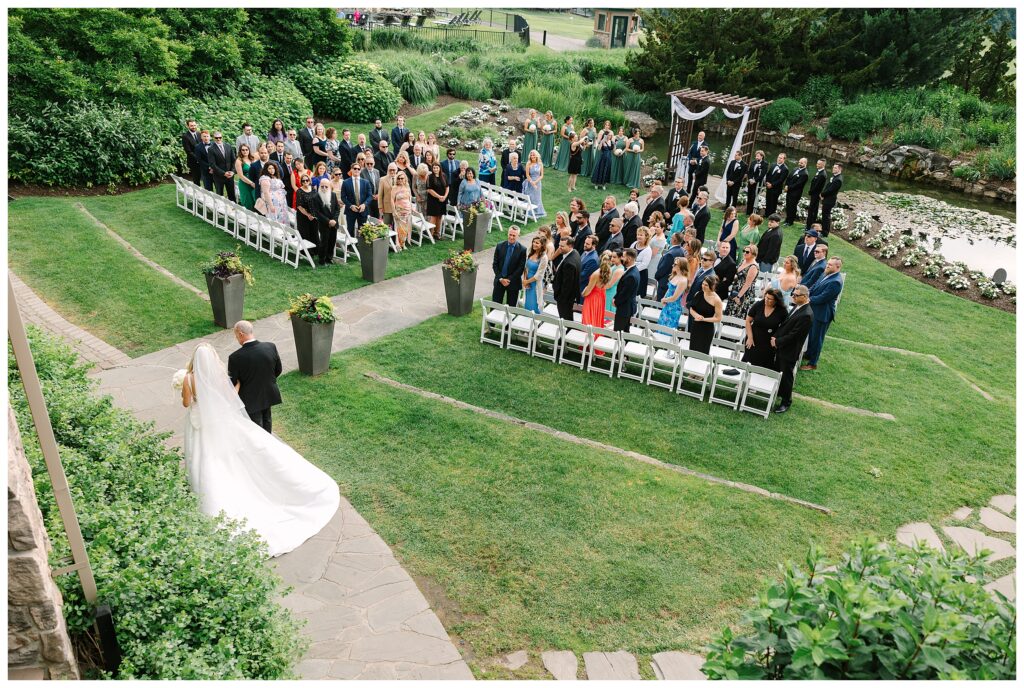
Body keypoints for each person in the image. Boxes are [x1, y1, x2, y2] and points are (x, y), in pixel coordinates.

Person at [183, 340, 339, 558]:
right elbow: (231, 394)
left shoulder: (188, 379)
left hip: (199, 424)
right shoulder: (218, 377)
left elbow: (186, 402)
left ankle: (210, 491)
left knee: (204, 457)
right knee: (227, 454)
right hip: (219, 422)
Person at [771, 285, 813, 414]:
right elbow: (787, 324)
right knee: (778, 370)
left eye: (796, 295)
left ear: (804, 297)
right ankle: (777, 392)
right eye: (793, 294)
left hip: (790, 349)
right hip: (782, 345)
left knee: (786, 376)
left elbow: (794, 335)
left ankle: (786, 401)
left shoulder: (807, 314)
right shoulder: (798, 306)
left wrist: (777, 341)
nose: (793, 297)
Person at [802, 257, 844, 371]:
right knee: (811, 334)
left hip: (822, 314)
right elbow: (815, 286)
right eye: (828, 264)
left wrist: (807, 299)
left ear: (837, 267)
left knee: (817, 338)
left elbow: (823, 298)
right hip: (814, 309)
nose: (827, 266)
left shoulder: (836, 282)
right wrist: (807, 293)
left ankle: (813, 363)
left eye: (830, 265)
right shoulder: (826, 273)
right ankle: (809, 353)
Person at [743, 288, 789, 370]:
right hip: (753, 338)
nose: (766, 300)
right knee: (748, 362)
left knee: (764, 365)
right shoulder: (758, 305)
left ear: (776, 300)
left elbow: (784, 327)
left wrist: (775, 337)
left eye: (769, 299)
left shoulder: (782, 311)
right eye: (766, 297)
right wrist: (750, 337)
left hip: (768, 342)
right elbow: (748, 321)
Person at [687, 274, 723, 355]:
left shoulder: (717, 300)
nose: (703, 286)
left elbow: (718, 318)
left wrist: (703, 319)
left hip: (707, 329)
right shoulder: (698, 294)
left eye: (706, 285)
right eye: (703, 284)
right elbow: (691, 309)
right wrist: (696, 316)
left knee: (703, 352)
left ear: (713, 286)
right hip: (696, 326)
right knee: (692, 350)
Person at [492, 226, 526, 306]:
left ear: (518, 235)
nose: (511, 237)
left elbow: (520, 268)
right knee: (495, 306)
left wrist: (508, 279)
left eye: (514, 235)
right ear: (507, 233)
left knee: (511, 307)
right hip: (499, 280)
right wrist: (501, 278)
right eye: (510, 234)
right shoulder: (499, 246)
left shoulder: (522, 250)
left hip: (513, 282)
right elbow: (495, 264)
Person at [313, 176, 341, 266]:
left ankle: (329, 258)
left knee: (332, 241)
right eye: (322, 186)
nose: (324, 188)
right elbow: (317, 213)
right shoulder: (316, 197)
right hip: (324, 223)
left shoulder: (333, 195)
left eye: (326, 186)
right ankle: (322, 259)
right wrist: (328, 221)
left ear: (329, 186)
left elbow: (337, 209)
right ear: (319, 186)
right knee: (324, 242)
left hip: (334, 223)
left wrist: (334, 220)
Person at [726, 245, 760, 318]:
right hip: (735, 290)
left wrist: (738, 296)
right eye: (744, 251)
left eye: (747, 252)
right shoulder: (743, 261)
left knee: (737, 314)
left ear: (753, 254)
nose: (744, 253)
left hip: (744, 294)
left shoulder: (753, 266)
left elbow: (747, 284)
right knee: (729, 312)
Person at [612, 249, 641, 332]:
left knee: (619, 332)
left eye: (623, 257)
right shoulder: (632, 270)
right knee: (624, 331)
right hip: (626, 307)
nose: (621, 258)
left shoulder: (631, 275)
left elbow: (625, 293)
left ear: (629, 259)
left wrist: (616, 301)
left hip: (625, 309)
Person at [582, 252, 612, 328]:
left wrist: (583, 292)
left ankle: (588, 337)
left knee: (589, 320)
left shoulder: (596, 274)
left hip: (592, 298)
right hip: (601, 297)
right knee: (597, 318)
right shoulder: (609, 272)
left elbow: (588, 291)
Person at [552, 239, 581, 321]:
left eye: (562, 246)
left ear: (570, 246)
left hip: (565, 299)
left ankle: (565, 332)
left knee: (565, 319)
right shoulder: (575, 252)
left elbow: (567, 285)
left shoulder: (569, 263)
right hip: (569, 297)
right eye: (559, 245)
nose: (559, 248)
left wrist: (560, 298)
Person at [658, 258, 689, 328]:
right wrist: (664, 298)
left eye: (675, 264)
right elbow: (669, 290)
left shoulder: (683, 280)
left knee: (668, 328)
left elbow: (674, 298)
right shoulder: (675, 276)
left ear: (681, 266)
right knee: (661, 326)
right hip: (667, 305)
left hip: (674, 308)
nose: (672, 265)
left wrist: (664, 300)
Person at [654, 231, 685, 300]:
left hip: (665, 282)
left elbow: (663, 269)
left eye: (671, 237)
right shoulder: (681, 250)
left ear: (674, 240)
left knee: (660, 302)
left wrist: (657, 276)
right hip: (673, 281)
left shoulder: (670, 254)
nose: (670, 239)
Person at [341, 162, 370, 236]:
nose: (356, 170)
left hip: (362, 210)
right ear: (351, 170)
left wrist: (364, 204)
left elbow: (370, 196)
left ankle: (362, 247)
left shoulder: (366, 182)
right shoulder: (345, 182)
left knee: (363, 231)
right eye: (355, 168)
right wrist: (351, 206)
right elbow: (343, 197)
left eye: (358, 169)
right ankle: (350, 247)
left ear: (360, 170)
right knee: (350, 230)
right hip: (351, 211)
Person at [207, 132, 237, 201]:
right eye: (216, 138)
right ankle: (220, 210)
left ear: (222, 137)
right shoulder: (211, 149)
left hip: (230, 175)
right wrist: (223, 173)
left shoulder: (228, 146)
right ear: (213, 138)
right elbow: (212, 164)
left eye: (220, 137)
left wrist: (232, 171)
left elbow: (234, 160)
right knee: (219, 195)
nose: (218, 139)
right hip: (218, 176)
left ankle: (234, 209)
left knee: (232, 194)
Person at [522, 237, 549, 314]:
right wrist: (525, 280)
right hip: (527, 283)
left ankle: (535, 323)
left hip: (535, 284)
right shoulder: (530, 252)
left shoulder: (544, 257)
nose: (534, 244)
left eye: (537, 243)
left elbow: (539, 275)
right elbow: (525, 267)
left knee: (535, 304)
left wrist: (527, 281)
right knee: (527, 303)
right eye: (533, 242)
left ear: (542, 245)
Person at [819, 163, 844, 236]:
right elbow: (828, 187)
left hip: (830, 200)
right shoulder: (835, 177)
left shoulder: (838, 180)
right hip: (827, 199)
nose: (833, 169)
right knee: (824, 215)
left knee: (826, 216)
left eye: (835, 168)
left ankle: (825, 232)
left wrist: (822, 194)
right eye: (833, 167)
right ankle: (823, 231)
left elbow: (831, 190)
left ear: (839, 169)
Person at [783, 157, 809, 226]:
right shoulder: (795, 169)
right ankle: (787, 219)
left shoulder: (805, 174)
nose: (799, 164)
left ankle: (790, 221)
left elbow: (798, 184)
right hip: (789, 191)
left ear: (805, 164)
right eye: (799, 162)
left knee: (792, 207)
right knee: (788, 205)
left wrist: (789, 187)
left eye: (801, 163)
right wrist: (786, 185)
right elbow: (789, 177)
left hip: (795, 193)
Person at [295, 173, 318, 248]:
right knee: (305, 233)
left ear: (309, 180)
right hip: (303, 216)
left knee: (314, 232)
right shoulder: (299, 191)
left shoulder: (313, 189)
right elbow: (299, 206)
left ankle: (315, 250)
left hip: (314, 215)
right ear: (301, 182)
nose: (305, 182)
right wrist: (308, 215)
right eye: (303, 181)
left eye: (307, 180)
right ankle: (306, 251)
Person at [426, 162, 449, 239]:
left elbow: (447, 187)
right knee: (433, 217)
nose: (435, 169)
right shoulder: (430, 177)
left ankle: (437, 233)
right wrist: (439, 196)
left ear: (440, 168)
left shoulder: (444, 175)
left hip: (442, 200)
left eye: (437, 168)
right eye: (434, 168)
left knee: (440, 216)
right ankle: (430, 234)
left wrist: (445, 196)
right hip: (433, 200)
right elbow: (429, 190)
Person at [391, 172, 413, 249]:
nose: (400, 180)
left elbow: (410, 198)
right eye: (399, 178)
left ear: (405, 179)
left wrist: (411, 207)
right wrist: (394, 211)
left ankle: (403, 243)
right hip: (399, 211)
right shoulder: (394, 188)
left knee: (406, 228)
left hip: (408, 211)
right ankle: (398, 244)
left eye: (402, 178)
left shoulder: (407, 187)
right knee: (399, 228)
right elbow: (392, 200)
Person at [591, 121, 614, 189]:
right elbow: (598, 141)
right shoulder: (601, 132)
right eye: (606, 125)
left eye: (608, 125)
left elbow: (613, 144)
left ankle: (604, 183)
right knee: (600, 168)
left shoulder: (611, 133)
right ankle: (597, 183)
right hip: (602, 153)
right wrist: (600, 142)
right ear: (604, 125)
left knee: (606, 169)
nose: (607, 126)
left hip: (609, 156)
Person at [234, 143, 257, 210]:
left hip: (254, 183)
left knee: (255, 200)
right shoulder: (239, 161)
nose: (245, 151)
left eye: (246, 150)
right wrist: (251, 183)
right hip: (245, 184)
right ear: (240, 151)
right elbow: (240, 176)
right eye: (243, 150)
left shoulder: (252, 158)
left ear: (249, 150)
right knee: (248, 202)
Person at [805, 159, 827, 228]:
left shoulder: (822, 174)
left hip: (816, 195)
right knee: (811, 210)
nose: (817, 165)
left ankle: (809, 226)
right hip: (814, 194)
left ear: (823, 165)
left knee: (812, 211)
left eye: (819, 164)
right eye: (817, 163)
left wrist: (810, 192)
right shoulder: (819, 172)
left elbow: (817, 186)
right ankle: (808, 225)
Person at [744, 150, 767, 216]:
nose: (756, 157)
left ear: (762, 156)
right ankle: (748, 211)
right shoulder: (753, 162)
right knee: (749, 196)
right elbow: (749, 171)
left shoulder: (765, 164)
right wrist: (750, 179)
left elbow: (762, 174)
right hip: (750, 182)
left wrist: (755, 180)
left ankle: (753, 212)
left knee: (754, 197)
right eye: (756, 156)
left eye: (758, 156)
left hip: (757, 184)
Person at [524, 150, 546, 218]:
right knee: (530, 197)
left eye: (533, 155)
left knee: (537, 198)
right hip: (530, 182)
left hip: (538, 183)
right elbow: (527, 175)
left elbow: (541, 175)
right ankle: (530, 212)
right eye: (531, 155)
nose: (532, 156)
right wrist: (532, 182)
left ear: (536, 155)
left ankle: (538, 211)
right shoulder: (528, 163)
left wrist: (535, 182)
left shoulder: (540, 164)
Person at [631, 226, 653, 296]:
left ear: (646, 236)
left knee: (637, 294)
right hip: (631, 271)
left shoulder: (648, 250)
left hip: (640, 274)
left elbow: (644, 265)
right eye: (638, 234)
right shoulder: (634, 244)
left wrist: (632, 268)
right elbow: (628, 255)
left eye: (641, 235)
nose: (639, 237)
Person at [604, 250, 626, 314]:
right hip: (607, 291)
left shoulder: (619, 270)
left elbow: (610, 285)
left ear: (620, 258)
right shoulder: (615, 266)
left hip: (611, 293)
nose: (612, 259)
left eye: (614, 257)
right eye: (612, 257)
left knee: (607, 312)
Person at [578, 234, 599, 303]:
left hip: (583, 289)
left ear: (593, 245)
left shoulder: (593, 259)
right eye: (585, 242)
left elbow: (584, 276)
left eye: (587, 244)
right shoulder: (585, 252)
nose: (584, 245)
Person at [181, 119, 203, 185]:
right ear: (188, 126)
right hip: (193, 162)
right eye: (191, 126)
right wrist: (198, 158)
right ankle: (197, 194)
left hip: (203, 161)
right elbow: (188, 151)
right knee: (196, 180)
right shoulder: (185, 136)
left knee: (205, 178)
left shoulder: (199, 134)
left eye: (194, 125)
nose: (193, 127)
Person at [378, 163, 397, 229]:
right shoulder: (382, 179)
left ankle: (395, 239)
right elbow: (380, 195)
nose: (392, 171)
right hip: (386, 207)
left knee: (396, 226)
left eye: (393, 170)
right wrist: (380, 207)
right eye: (390, 170)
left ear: (396, 170)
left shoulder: (399, 178)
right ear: (388, 170)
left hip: (397, 207)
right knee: (386, 226)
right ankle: (387, 239)